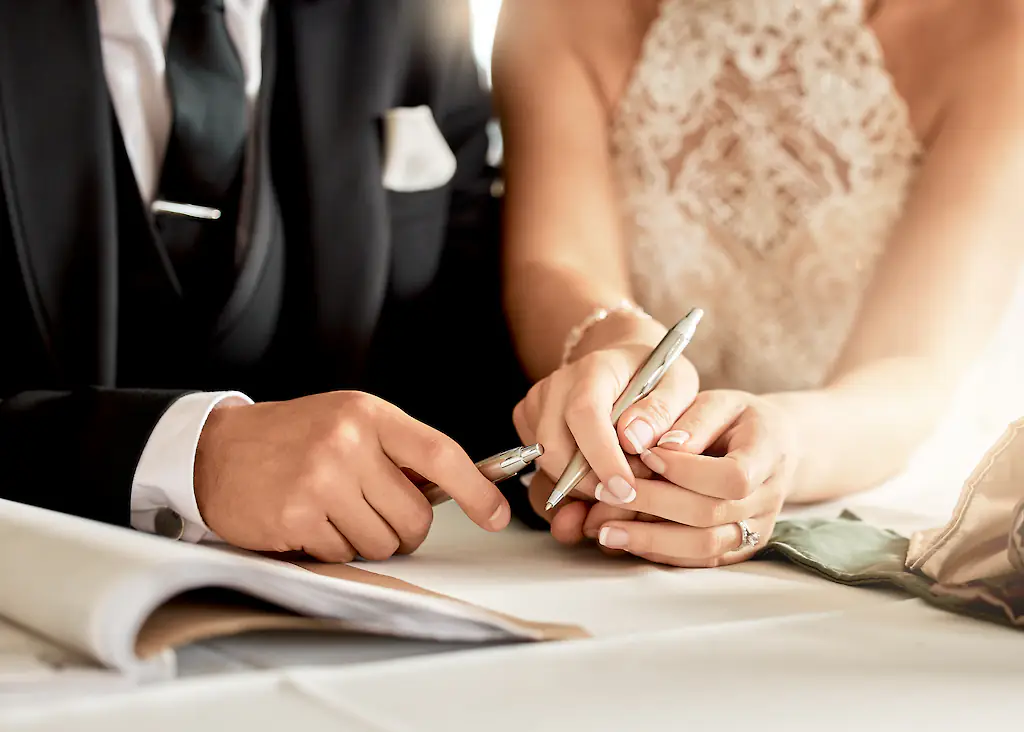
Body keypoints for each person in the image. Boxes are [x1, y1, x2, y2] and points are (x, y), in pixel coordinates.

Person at [494, 0, 1024, 567]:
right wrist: (611, 350)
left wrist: (780, 444)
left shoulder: (999, 26)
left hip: (884, 502)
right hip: (622, 490)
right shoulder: (559, 12)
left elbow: (910, 367)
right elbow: (556, 266)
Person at [0, 0, 528, 562]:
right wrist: (193, 459)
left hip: (346, 593)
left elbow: (469, 354)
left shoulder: (410, 15)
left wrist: (574, 427)